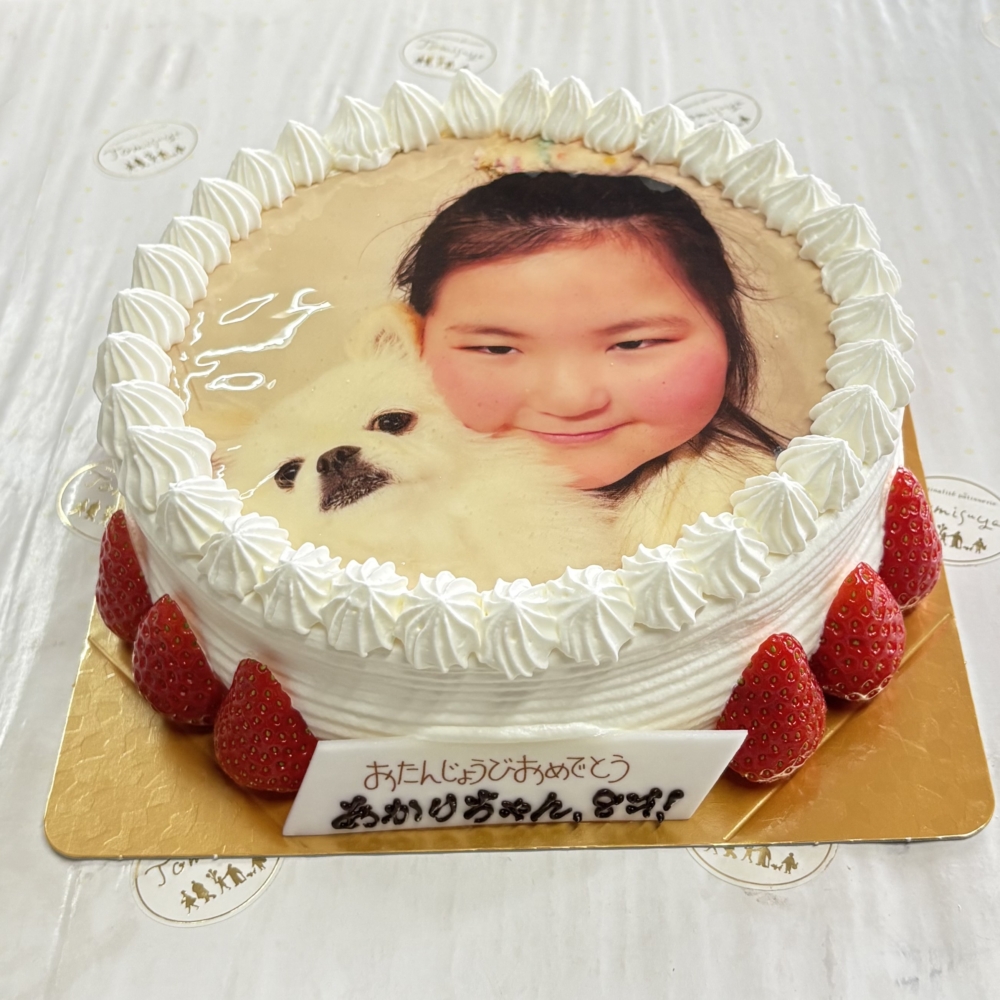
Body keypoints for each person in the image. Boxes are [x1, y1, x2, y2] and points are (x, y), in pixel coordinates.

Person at [393, 171, 783, 545]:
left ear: (725, 326)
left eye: (633, 344)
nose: (570, 400)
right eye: (496, 348)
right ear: (414, 338)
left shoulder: (780, 505)